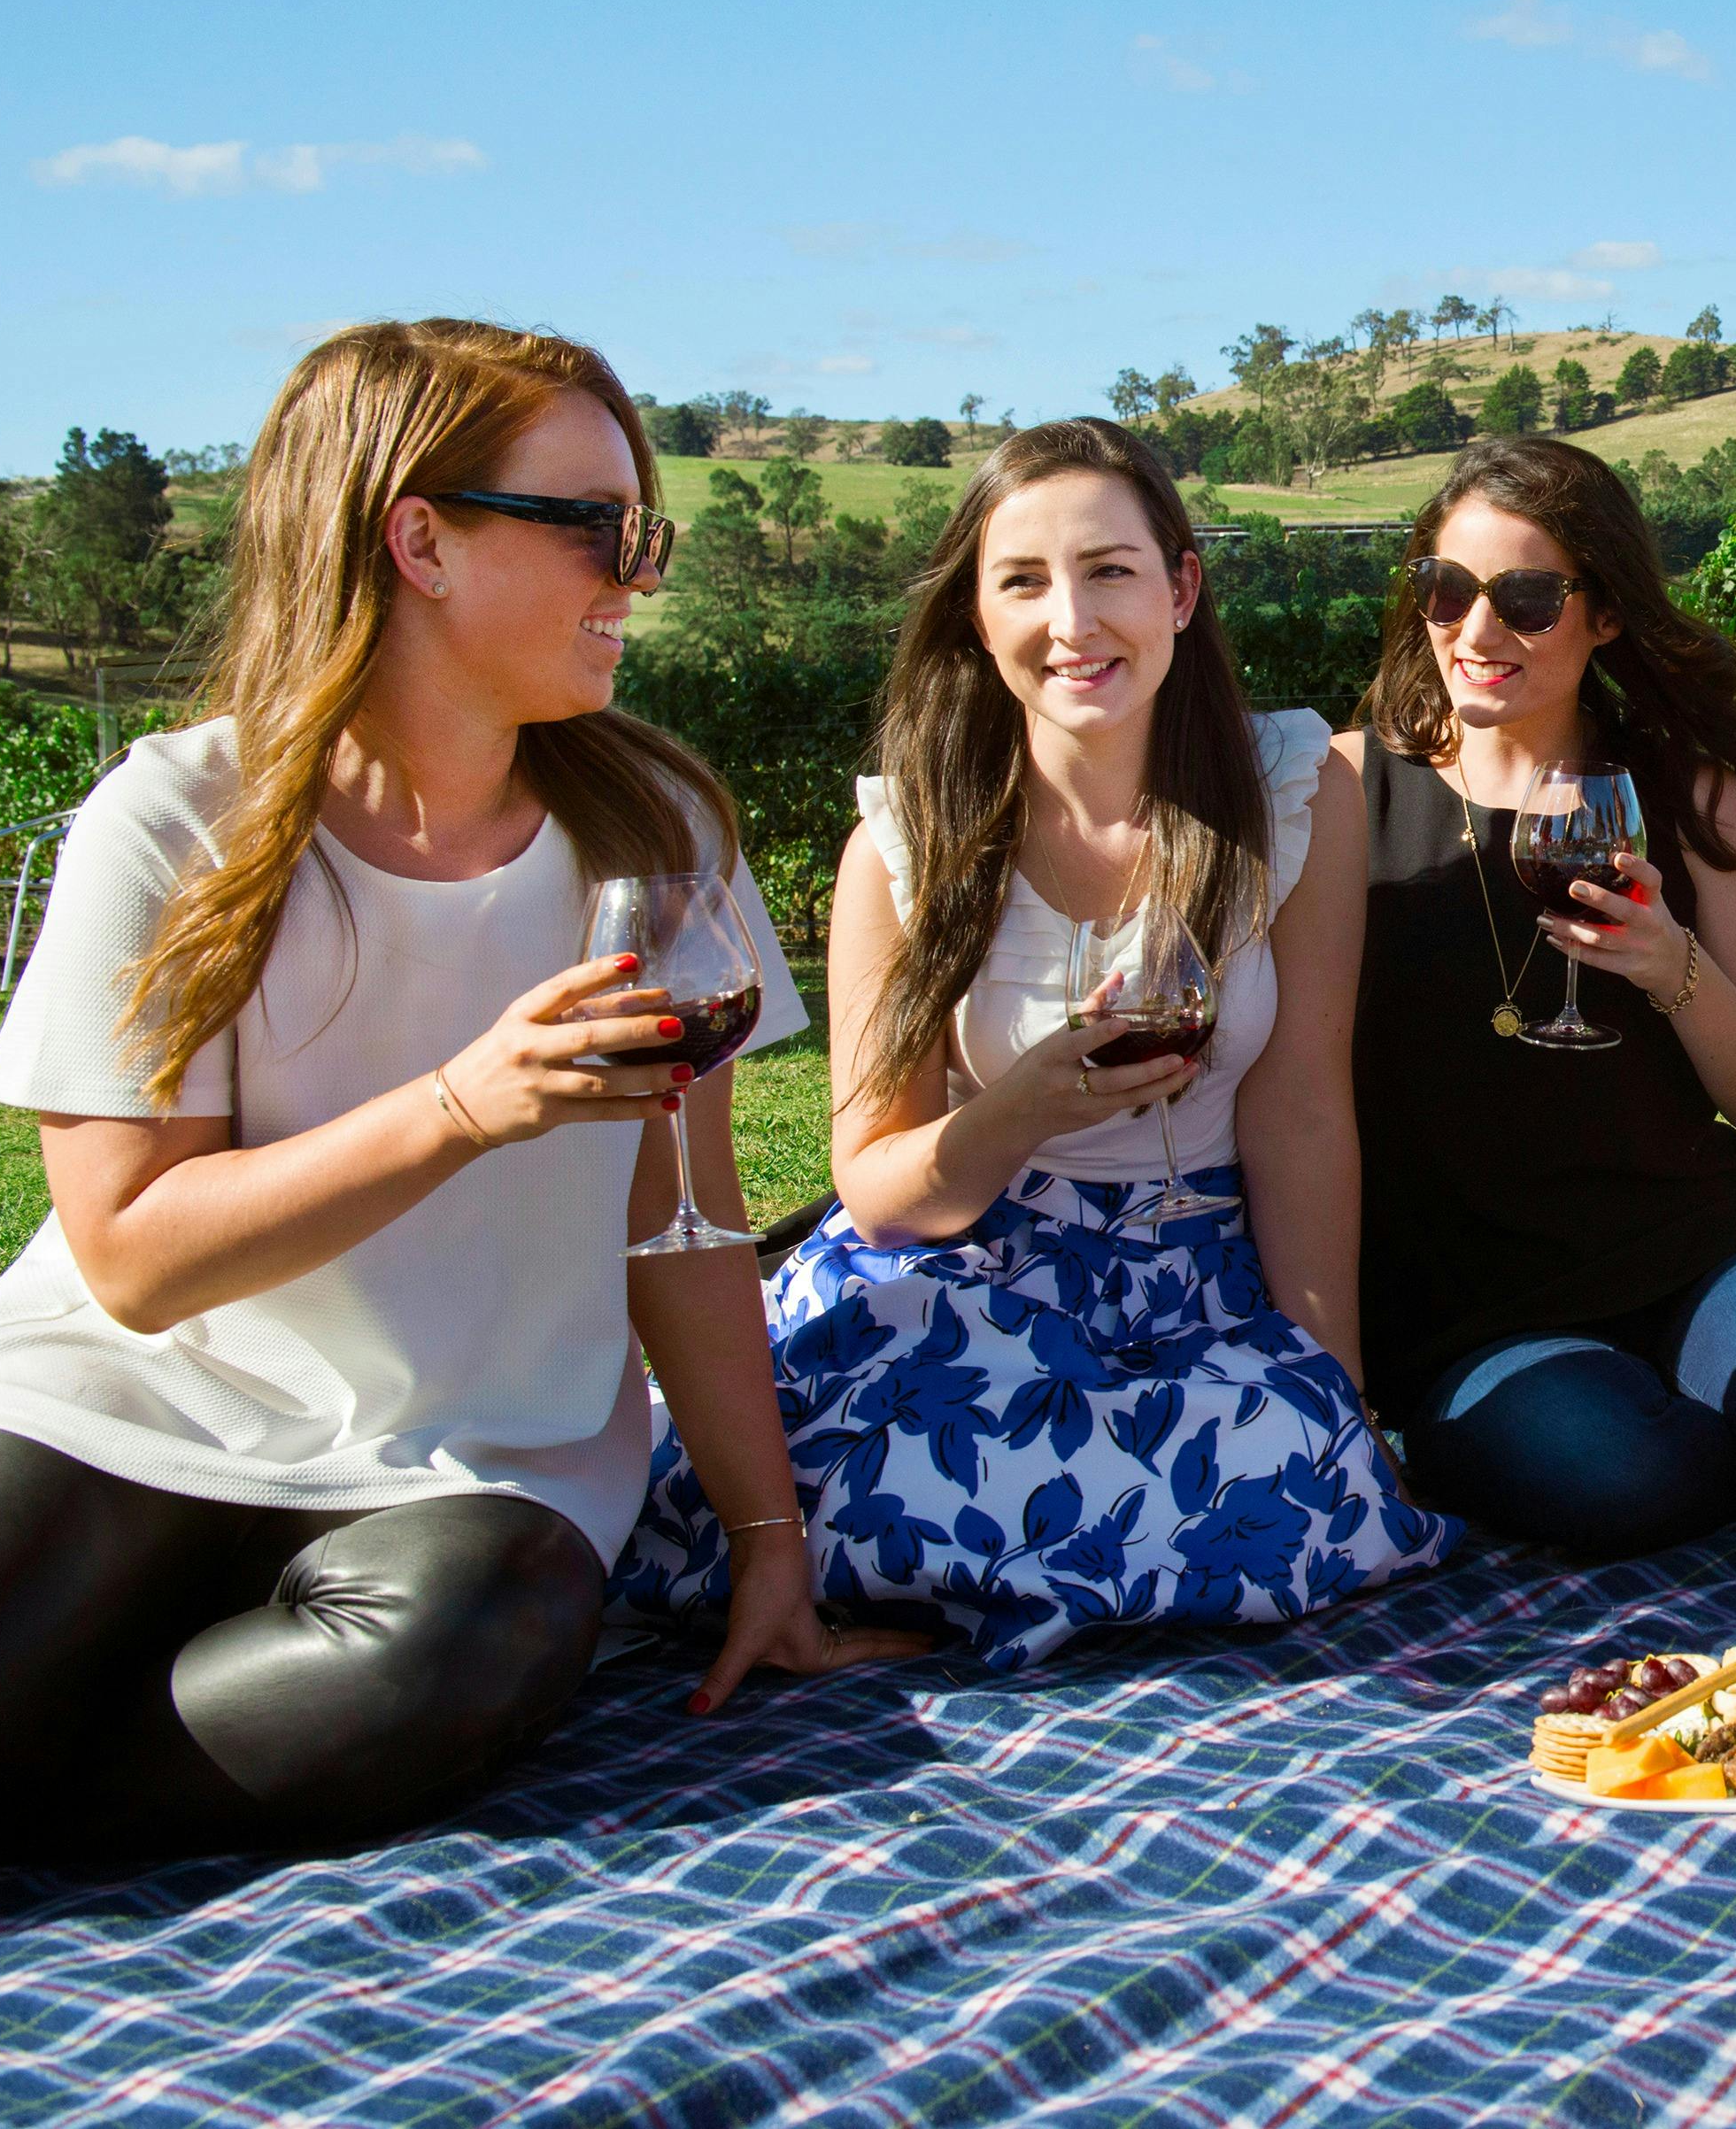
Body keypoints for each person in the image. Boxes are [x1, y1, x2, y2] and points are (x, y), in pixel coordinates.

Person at [0, 321, 914, 1863]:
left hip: (467, 1472)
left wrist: (768, 1549)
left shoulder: (655, 831)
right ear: (422, 541)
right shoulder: (178, 819)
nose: (640, 572)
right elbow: (129, 1254)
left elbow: (690, 1227)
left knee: (468, 1653)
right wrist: (464, 1105)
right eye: (598, 525)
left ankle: (3, 1778)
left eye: (641, 527)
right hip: (115, 1415)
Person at [613, 420, 1455, 1670]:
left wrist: (1334, 1384)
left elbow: (1302, 1112)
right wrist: (1022, 1106)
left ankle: (976, 1586)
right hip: (973, 1275)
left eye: (1110, 570)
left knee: (1288, 1462)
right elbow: (880, 1190)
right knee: (904, 1452)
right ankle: (1018, 1568)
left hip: (1198, 1275)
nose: (1073, 619)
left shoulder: (1289, 790)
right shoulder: (905, 842)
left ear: (1180, 587)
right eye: (1022, 580)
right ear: (973, 615)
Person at [1343, 436, 1736, 1558]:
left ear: (1605, 614)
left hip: (1698, 1248)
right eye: (1446, 588)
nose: (1474, 631)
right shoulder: (1342, 793)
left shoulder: (1688, 792)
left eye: (1524, 597)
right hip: (1474, 1305)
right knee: (1621, 1483)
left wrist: (1672, 969)